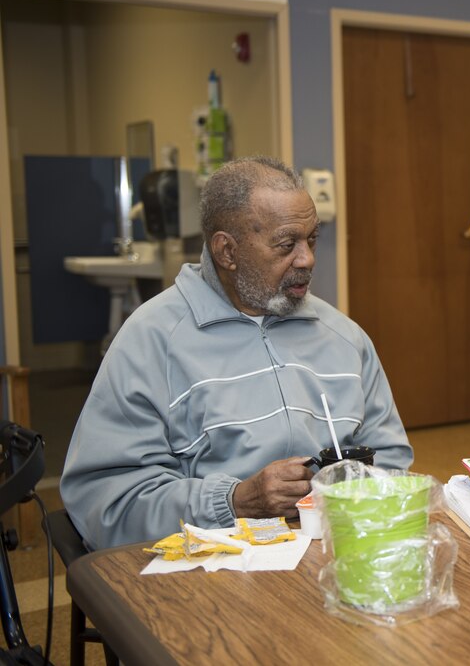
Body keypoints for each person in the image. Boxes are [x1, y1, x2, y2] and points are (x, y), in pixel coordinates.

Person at [61, 157, 413, 549]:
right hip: (208, 573)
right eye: (286, 244)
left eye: (312, 239)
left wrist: (353, 492)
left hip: (335, 556)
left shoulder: (344, 338)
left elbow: (392, 462)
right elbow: (107, 501)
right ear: (227, 251)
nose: (308, 259)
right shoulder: (150, 343)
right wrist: (233, 501)